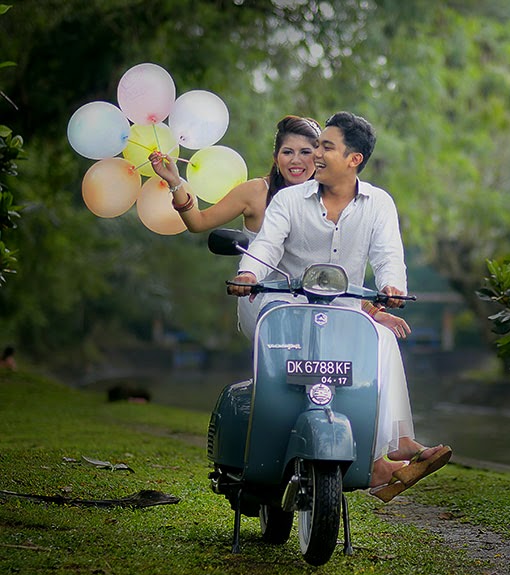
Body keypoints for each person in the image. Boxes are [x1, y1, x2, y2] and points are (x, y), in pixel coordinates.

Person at [226, 111, 450, 501]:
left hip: (343, 305)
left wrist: (391, 286)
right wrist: (247, 274)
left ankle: (395, 442)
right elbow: (265, 244)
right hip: (283, 303)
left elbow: (387, 256)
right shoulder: (289, 200)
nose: (316, 155)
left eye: (326, 147)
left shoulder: (379, 203)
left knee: (382, 337)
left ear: (354, 160)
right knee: (285, 372)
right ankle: (271, 445)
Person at [149, 115, 323, 338]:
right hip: (260, 298)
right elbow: (198, 222)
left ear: (318, 157)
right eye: (288, 152)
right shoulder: (255, 192)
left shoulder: (328, 198)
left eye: (305, 152)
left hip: (315, 302)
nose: (296, 160)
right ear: (276, 157)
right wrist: (174, 182)